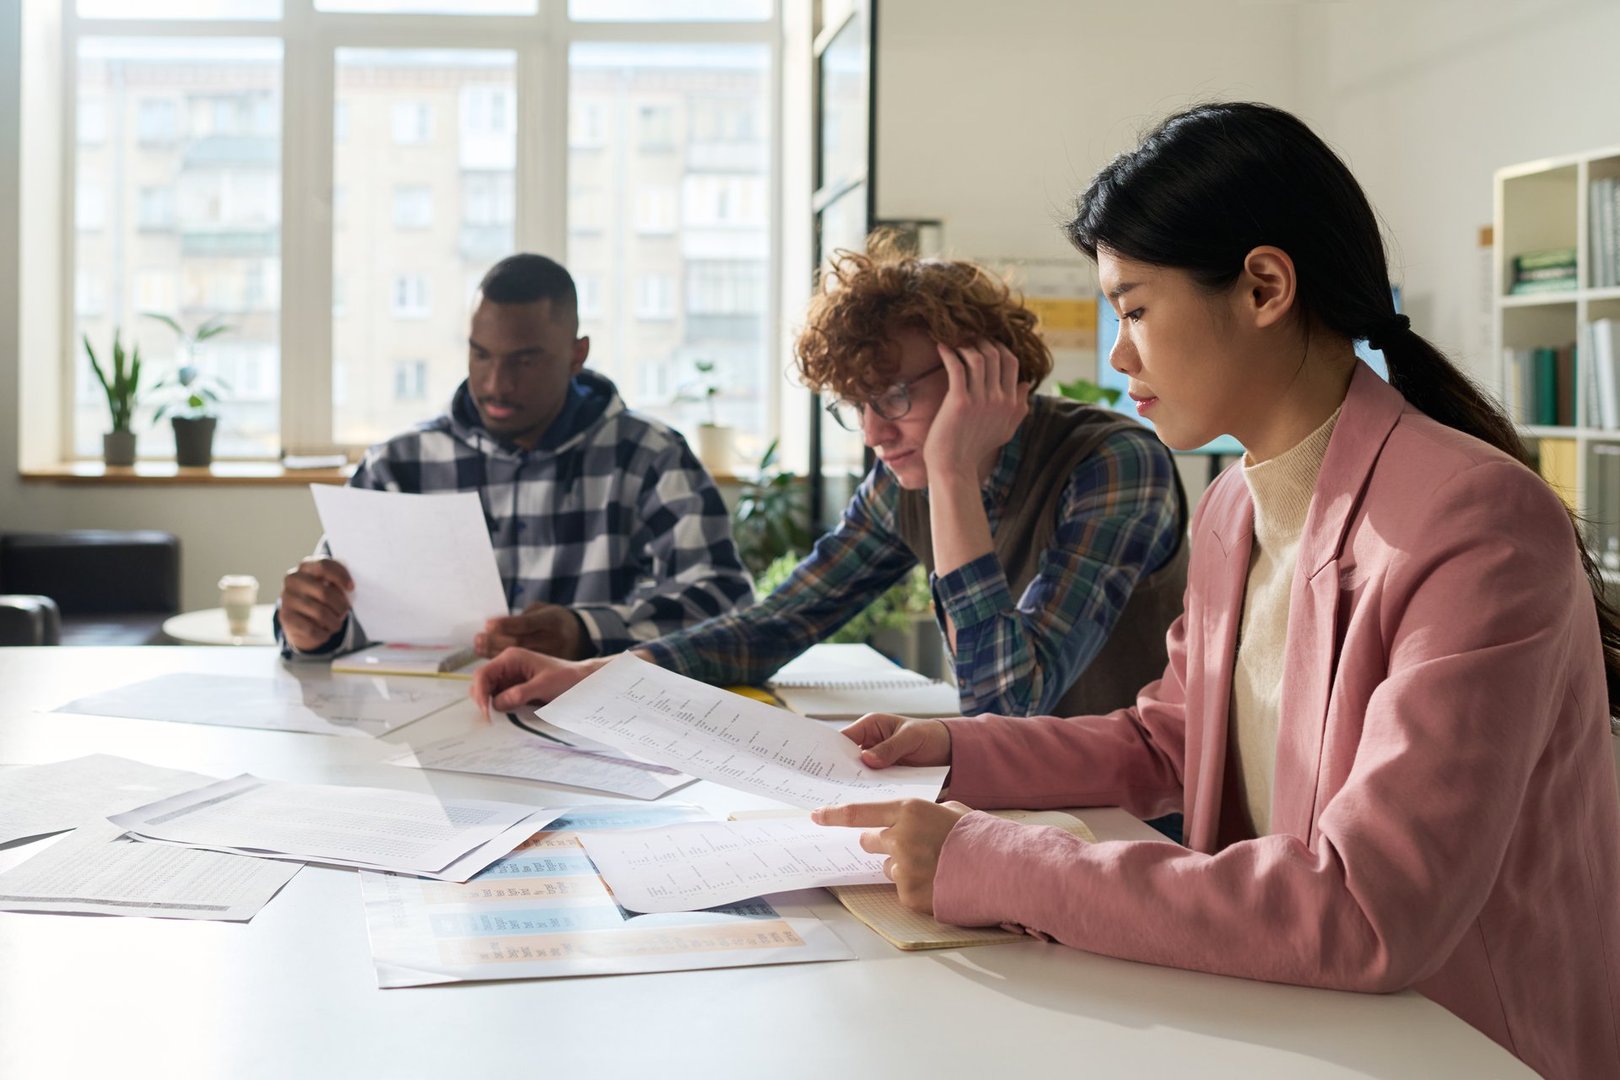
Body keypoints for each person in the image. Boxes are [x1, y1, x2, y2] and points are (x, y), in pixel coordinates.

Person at [806, 103, 1620, 1079]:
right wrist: (950, 749)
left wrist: (991, 862)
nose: (1118, 354)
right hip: (1284, 1015)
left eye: (1137, 308)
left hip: (1458, 1044)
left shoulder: (1477, 522)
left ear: (1266, 286)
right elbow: (1168, 742)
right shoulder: (1237, 502)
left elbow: (1370, 908)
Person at [471, 236, 1189, 721]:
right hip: (1020, 812)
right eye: (859, 407)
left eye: (895, 398)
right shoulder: (898, 485)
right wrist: (592, 674)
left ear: (986, 366)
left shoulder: (1114, 465)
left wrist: (949, 474)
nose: (875, 434)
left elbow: (1008, 703)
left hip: (1136, 827)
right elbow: (771, 627)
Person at [275, 253, 752, 662]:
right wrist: (311, 628)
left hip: (597, 745)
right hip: (426, 743)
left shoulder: (651, 459)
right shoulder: (398, 466)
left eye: (524, 361)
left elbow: (724, 612)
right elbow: (343, 617)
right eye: (481, 355)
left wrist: (584, 632)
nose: (496, 384)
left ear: (575, 355)